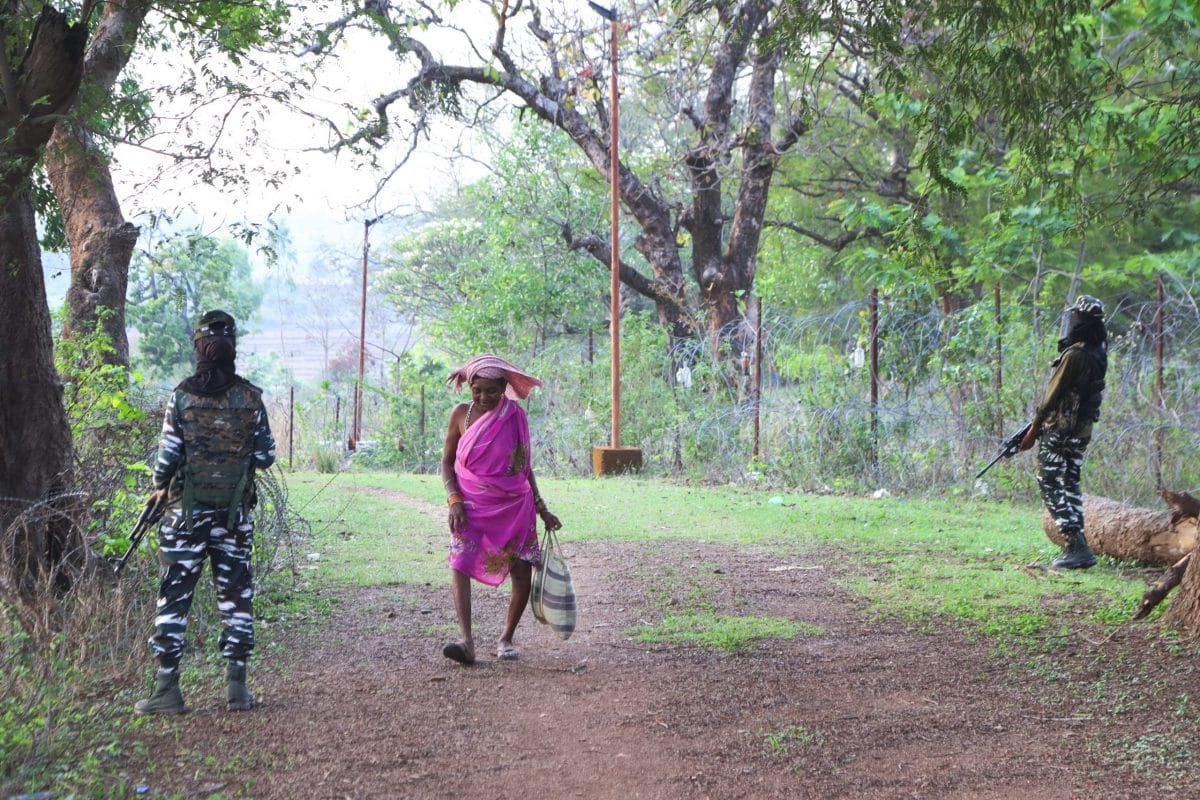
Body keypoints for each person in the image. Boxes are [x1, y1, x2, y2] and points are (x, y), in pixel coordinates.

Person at [134, 310, 276, 714]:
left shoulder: (181, 397)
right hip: (233, 520)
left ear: (199, 349)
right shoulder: (251, 398)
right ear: (232, 349)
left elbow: (165, 463)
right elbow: (265, 456)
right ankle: (236, 689)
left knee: (174, 596)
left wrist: (164, 483)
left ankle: (167, 690)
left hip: (184, 518)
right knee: (236, 596)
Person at [440, 354, 562, 665]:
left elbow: (525, 468)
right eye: (477, 390)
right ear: (470, 388)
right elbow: (446, 463)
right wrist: (454, 500)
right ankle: (466, 641)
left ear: (504, 388)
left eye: (491, 391)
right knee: (460, 561)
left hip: (514, 507)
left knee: (521, 570)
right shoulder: (459, 415)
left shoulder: (515, 417)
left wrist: (542, 507)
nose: (483, 397)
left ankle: (506, 638)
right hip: (469, 507)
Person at [1018, 295, 1108, 569]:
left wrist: (1033, 430)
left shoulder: (1075, 355)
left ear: (1080, 320)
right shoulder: (1098, 352)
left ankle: (1075, 545)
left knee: (1049, 481)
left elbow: (1051, 397)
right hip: (1081, 431)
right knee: (1070, 481)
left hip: (1060, 430)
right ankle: (1079, 546)